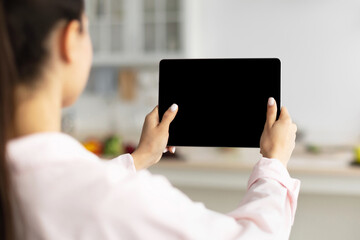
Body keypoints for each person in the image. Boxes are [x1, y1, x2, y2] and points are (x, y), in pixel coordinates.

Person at [0, 0, 300, 239]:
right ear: (69, 39)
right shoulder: (117, 199)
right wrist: (274, 163)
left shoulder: (22, 178)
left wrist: (139, 158)